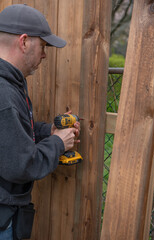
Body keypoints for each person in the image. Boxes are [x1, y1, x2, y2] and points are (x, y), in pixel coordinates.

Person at [0, 4, 80, 240]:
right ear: (24, 42)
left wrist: (48, 131)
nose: (45, 54)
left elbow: (10, 131)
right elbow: (22, 165)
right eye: (43, 46)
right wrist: (57, 142)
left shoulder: (10, 84)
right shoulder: (4, 93)